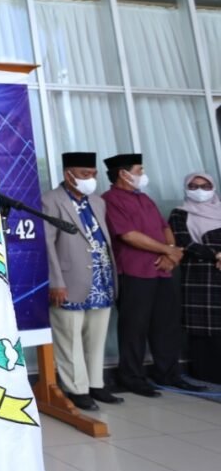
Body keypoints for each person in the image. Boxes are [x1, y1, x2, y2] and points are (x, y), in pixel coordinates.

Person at [102, 153, 204, 396]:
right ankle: (132, 377)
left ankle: (168, 373)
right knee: (134, 328)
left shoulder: (145, 199)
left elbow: (164, 227)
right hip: (134, 272)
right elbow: (128, 235)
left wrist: (171, 255)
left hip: (162, 271)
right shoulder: (110, 200)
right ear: (123, 174)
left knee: (166, 325)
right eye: (139, 170)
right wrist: (169, 250)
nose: (142, 175)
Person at [42, 152, 121, 411]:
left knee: (96, 337)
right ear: (69, 174)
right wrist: (56, 281)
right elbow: (47, 243)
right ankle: (77, 389)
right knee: (70, 338)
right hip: (68, 280)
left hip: (101, 280)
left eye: (93, 174)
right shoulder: (51, 200)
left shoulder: (97, 202)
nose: (90, 179)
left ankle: (96, 384)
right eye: (84, 175)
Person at [169, 172, 221, 384]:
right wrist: (216, 255)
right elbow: (185, 242)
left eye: (205, 186)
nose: (200, 190)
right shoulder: (179, 214)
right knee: (203, 327)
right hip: (200, 274)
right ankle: (207, 373)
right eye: (194, 185)